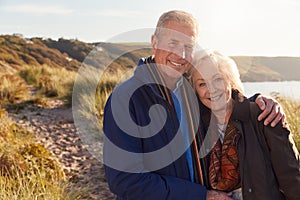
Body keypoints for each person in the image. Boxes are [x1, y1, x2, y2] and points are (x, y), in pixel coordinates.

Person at [103, 10, 285, 200]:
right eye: (173, 43)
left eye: (188, 46)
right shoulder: (125, 98)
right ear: (154, 42)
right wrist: (200, 195)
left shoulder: (190, 90)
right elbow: (125, 180)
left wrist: (259, 101)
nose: (181, 55)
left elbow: (224, 102)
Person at [189, 49, 300, 200]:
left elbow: (292, 177)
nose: (212, 90)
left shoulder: (264, 115)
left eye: (218, 79)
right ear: (195, 91)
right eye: (202, 84)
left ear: (230, 80)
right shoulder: (200, 127)